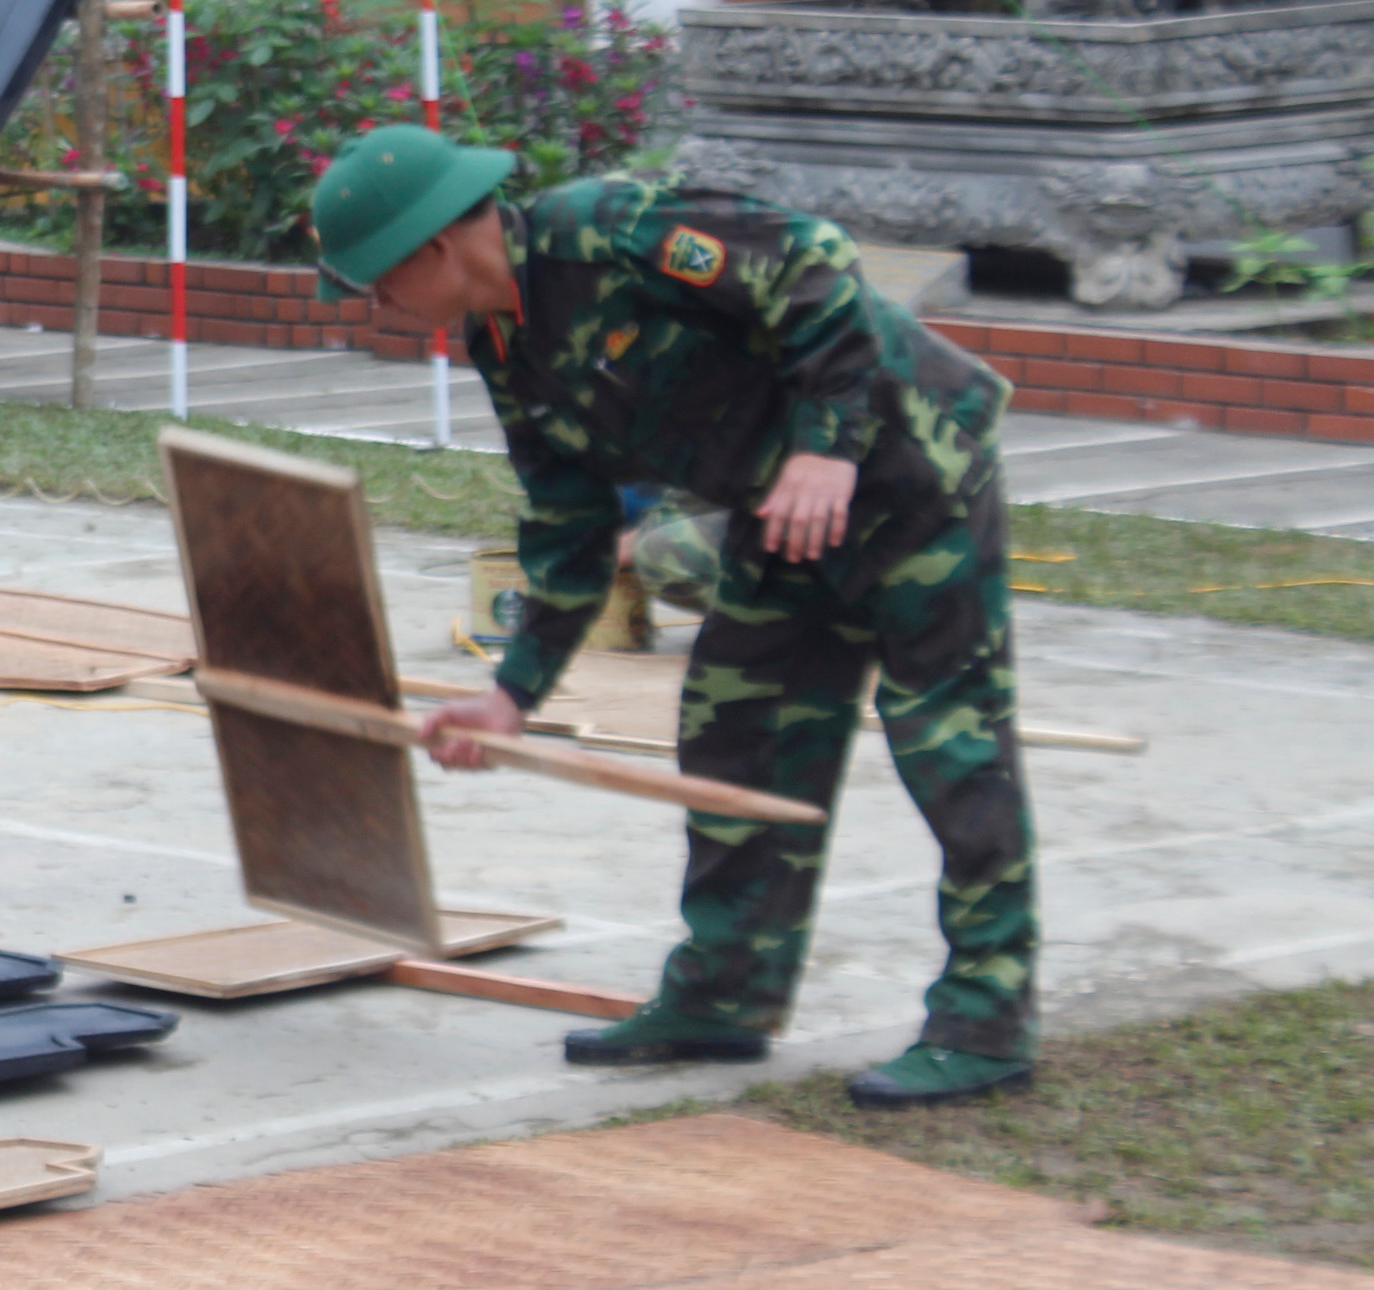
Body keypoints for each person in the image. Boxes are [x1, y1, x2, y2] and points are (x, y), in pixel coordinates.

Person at [310, 124, 1036, 1108]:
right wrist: (512, 695)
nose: (379, 306)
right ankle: (725, 996)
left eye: (379, 282)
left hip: (914, 474)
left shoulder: (606, 227)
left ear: (434, 246)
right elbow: (567, 522)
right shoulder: (503, 341)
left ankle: (985, 1023)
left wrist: (829, 445)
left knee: (951, 749)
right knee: (736, 733)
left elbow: (815, 264)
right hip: (784, 517)